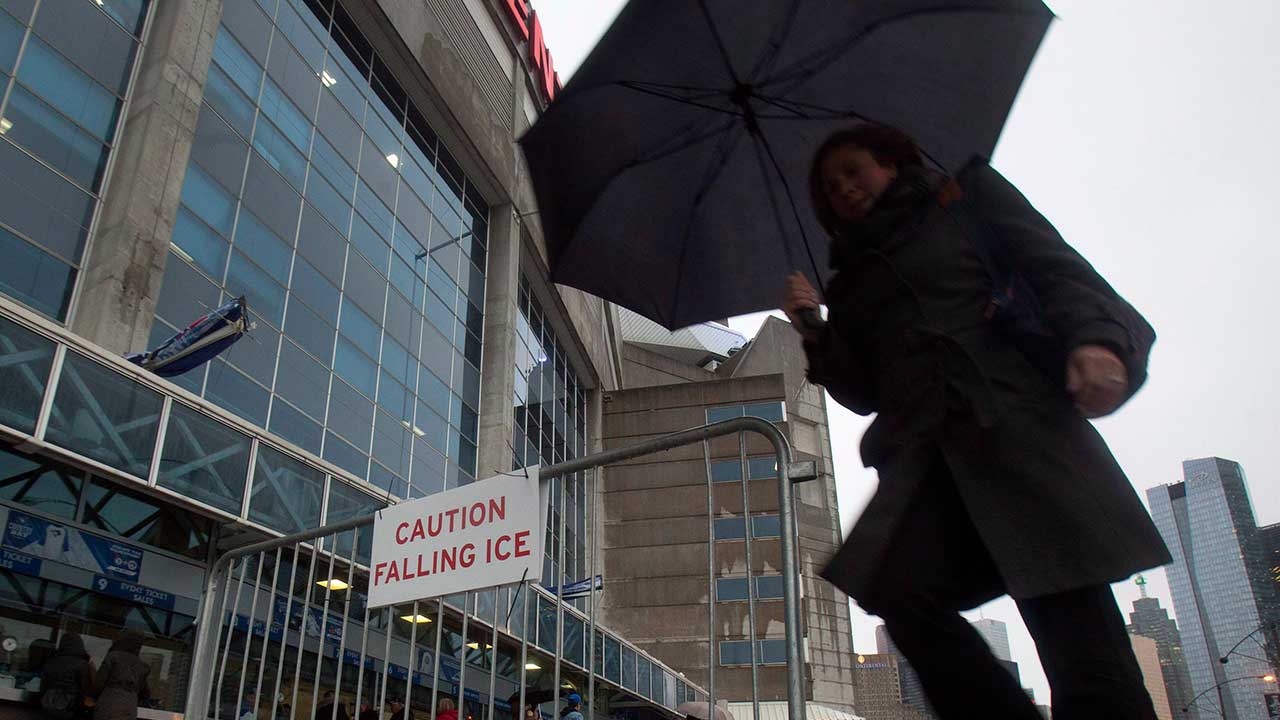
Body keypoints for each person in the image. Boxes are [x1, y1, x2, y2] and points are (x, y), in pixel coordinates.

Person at [783, 124, 1170, 719]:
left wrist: (1099, 341)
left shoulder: (965, 202)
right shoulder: (851, 282)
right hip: (928, 464)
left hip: (1018, 434)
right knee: (896, 586)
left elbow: (1055, 268)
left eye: (853, 171)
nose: (844, 190)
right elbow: (862, 394)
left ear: (891, 163)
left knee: (1080, 645)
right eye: (830, 188)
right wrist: (812, 324)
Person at [91, 629, 150, 720]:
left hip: (109, 703)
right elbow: (145, 693)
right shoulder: (142, 666)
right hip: (130, 708)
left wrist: (93, 697)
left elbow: (99, 682)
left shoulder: (113, 656)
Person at [39, 634, 93, 720]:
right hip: (70, 707)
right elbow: (85, 688)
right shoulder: (82, 664)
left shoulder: (52, 661)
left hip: (48, 704)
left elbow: (43, 686)